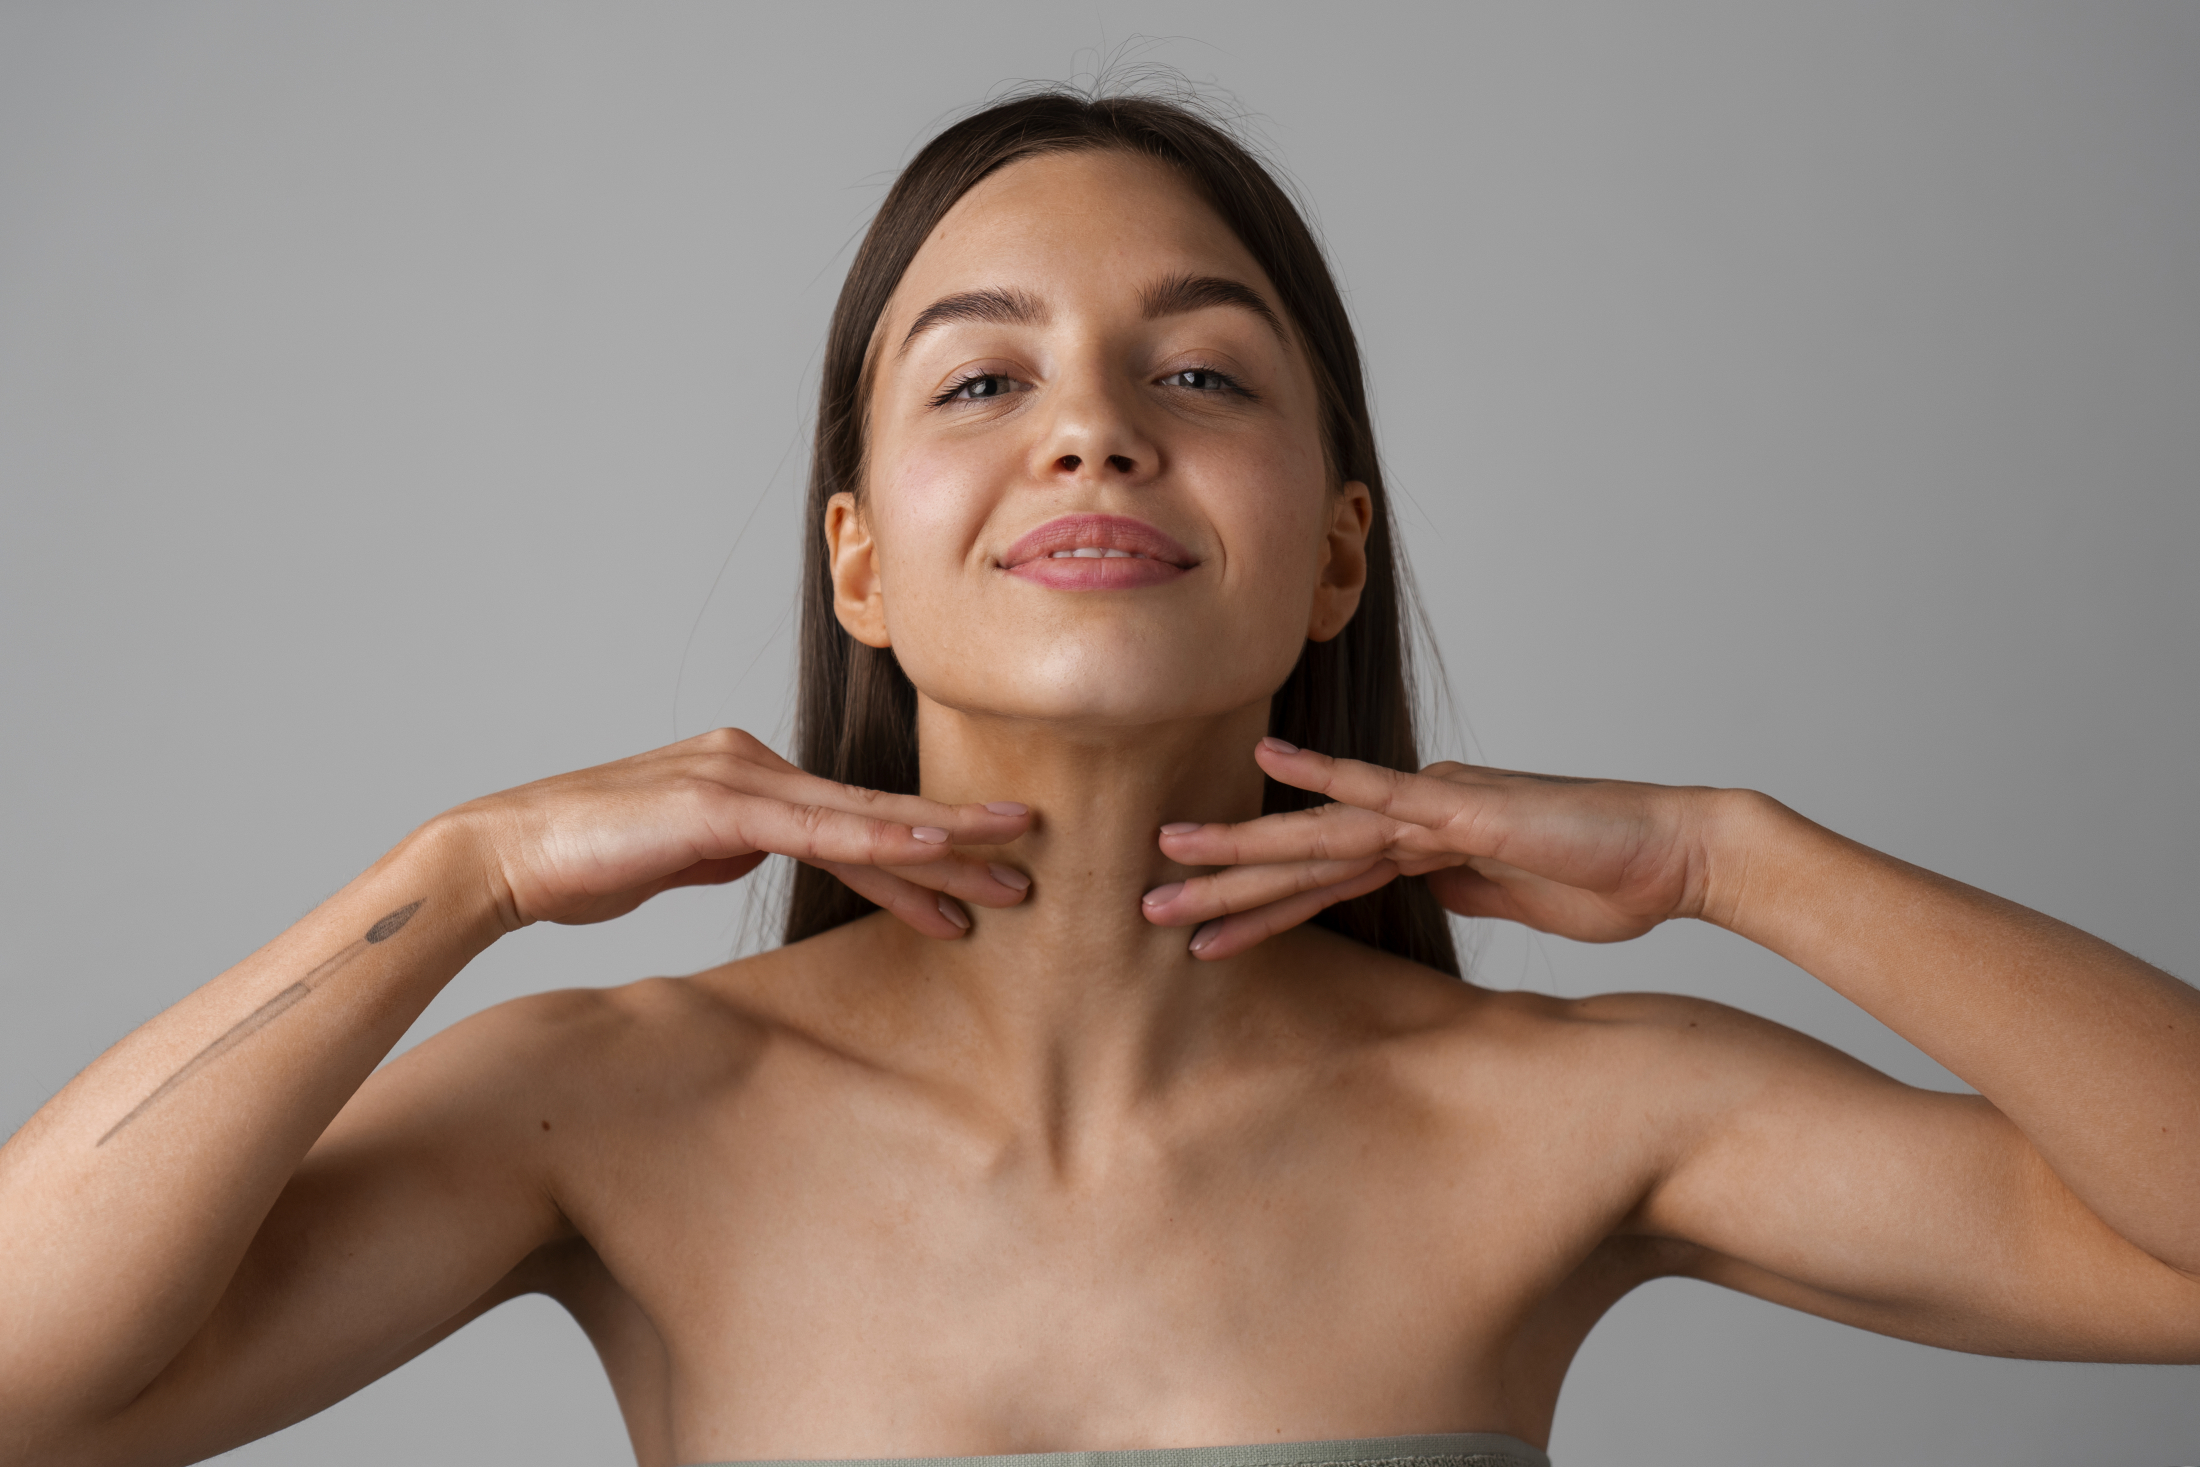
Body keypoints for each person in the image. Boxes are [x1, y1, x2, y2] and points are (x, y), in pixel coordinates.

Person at [2, 89, 2195, 1467]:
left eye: (1197, 365)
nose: (1089, 426)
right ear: (851, 557)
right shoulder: (623, 1106)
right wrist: (455, 872)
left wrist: (1740, 856)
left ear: (1334, 538)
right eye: (980, 374)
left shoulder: (1558, 1113)